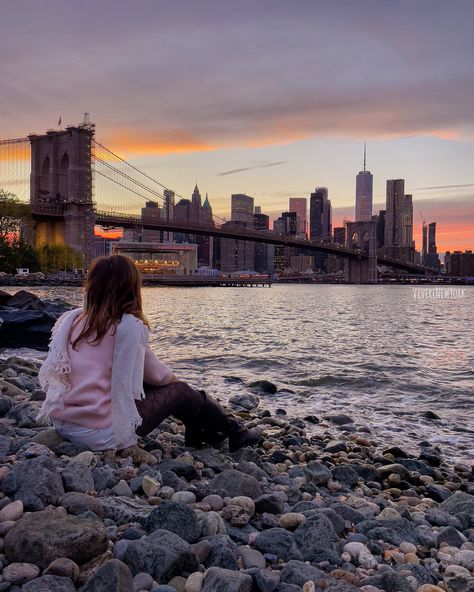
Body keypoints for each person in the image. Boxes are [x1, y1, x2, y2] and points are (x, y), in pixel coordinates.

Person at [36, 254, 261, 460]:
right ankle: (236, 431)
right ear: (131, 288)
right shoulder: (125, 328)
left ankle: (202, 432)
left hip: (66, 423)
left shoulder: (72, 321)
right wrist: (178, 387)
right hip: (100, 432)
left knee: (152, 385)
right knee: (182, 390)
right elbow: (160, 377)